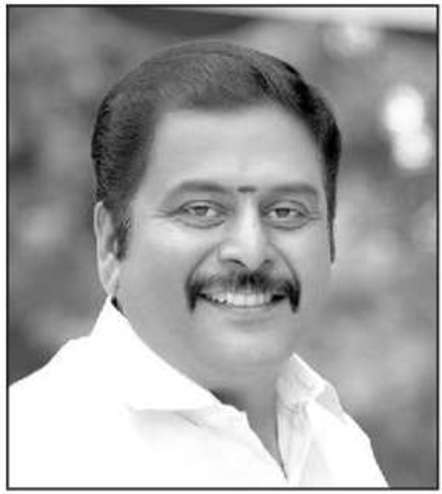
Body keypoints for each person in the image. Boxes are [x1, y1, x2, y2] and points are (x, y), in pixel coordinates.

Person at [9, 41, 387, 488]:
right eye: (201, 209)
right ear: (111, 242)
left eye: (286, 211)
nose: (251, 251)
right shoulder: (33, 453)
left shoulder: (340, 445)